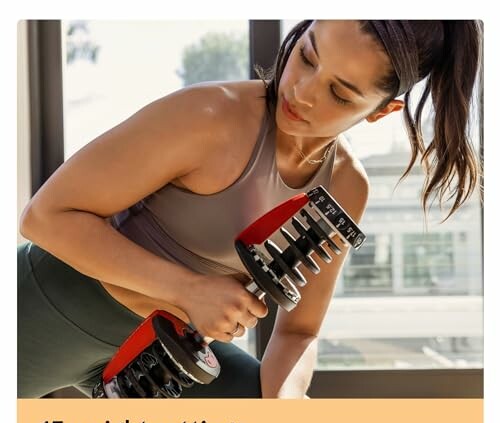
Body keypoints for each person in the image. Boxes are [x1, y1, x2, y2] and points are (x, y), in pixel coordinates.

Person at [18, 20, 482, 399]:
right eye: (307, 55)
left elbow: (299, 334)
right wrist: (190, 291)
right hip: (47, 304)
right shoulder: (210, 117)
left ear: (381, 111)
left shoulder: (346, 187)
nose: (301, 92)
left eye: (339, 94)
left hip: (165, 361)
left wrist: (283, 413)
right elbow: (44, 217)